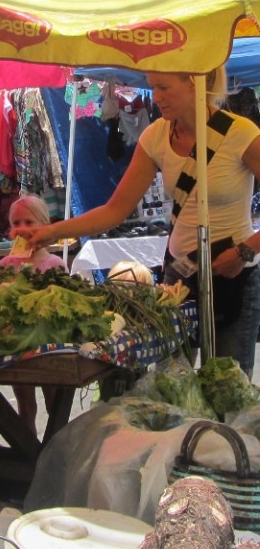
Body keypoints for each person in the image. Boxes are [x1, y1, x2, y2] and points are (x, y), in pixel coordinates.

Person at [14, 68, 260, 376]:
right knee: (170, 382)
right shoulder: (155, 135)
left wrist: (244, 252)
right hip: (179, 279)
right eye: (153, 87)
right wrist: (52, 231)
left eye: (164, 87)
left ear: (196, 83)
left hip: (234, 275)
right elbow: (114, 210)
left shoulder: (241, 134)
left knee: (228, 384)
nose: (156, 97)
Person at [0, 195, 66, 434]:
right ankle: (28, 450)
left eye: (29, 222)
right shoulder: (5, 265)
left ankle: (54, 447)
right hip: (18, 346)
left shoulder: (55, 264)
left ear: (45, 225)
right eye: (16, 223)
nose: (22, 229)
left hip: (49, 345)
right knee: (25, 405)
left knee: (54, 401)